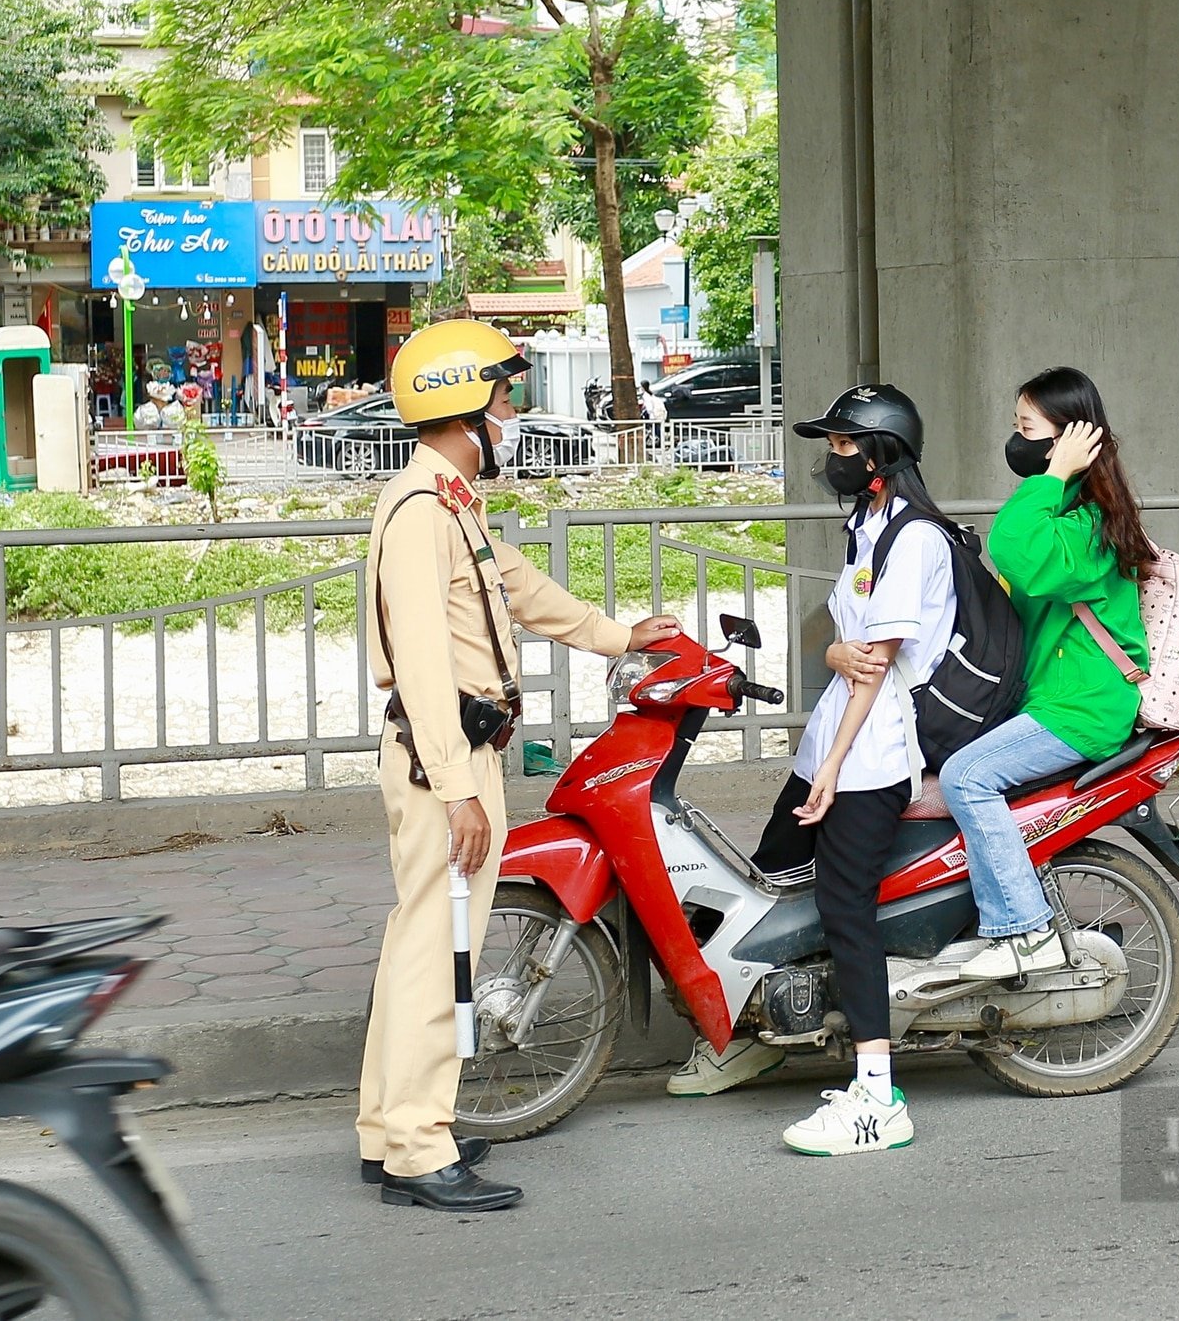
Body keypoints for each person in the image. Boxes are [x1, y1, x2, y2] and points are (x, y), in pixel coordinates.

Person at [358, 318, 678, 1211]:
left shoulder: (453, 502)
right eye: (501, 397)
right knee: (437, 950)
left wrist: (618, 634)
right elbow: (422, 660)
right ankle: (421, 1148)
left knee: (416, 940)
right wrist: (457, 787)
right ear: (464, 407)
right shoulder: (424, 511)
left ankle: (388, 1127)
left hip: (455, 750)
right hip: (442, 758)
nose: (511, 413)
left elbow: (519, 588)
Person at [665, 383, 956, 1157]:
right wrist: (829, 666)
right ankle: (756, 1034)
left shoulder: (916, 538)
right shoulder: (868, 526)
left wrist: (829, 769)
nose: (832, 458)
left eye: (842, 444)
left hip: (873, 755)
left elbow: (877, 669)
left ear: (883, 452)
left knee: (843, 906)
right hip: (832, 743)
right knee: (769, 875)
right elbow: (845, 646)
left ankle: (876, 1094)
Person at [939, 365, 1157, 980]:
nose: (1017, 440)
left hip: (1083, 706)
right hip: (1045, 701)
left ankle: (1024, 933)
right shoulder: (1059, 504)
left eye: (1027, 427)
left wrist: (1057, 473)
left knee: (967, 778)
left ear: (1070, 438)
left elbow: (1022, 556)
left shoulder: (1094, 522)